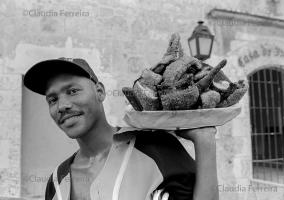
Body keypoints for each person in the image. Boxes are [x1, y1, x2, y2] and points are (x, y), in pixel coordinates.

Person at [23, 57, 219, 200]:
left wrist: (205, 140)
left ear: (99, 91)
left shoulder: (156, 149)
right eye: (52, 99)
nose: (62, 105)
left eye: (73, 91)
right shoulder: (57, 180)